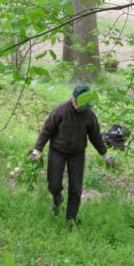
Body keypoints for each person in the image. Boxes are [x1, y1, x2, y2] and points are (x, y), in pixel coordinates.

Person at [29, 84, 116, 226]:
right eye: (78, 104)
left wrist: (105, 156)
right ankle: (57, 199)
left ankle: (71, 220)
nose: (80, 108)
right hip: (57, 151)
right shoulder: (60, 111)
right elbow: (46, 131)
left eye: (84, 105)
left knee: (76, 190)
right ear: (72, 99)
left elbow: (95, 137)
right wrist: (36, 151)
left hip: (77, 154)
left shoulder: (89, 116)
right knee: (54, 185)